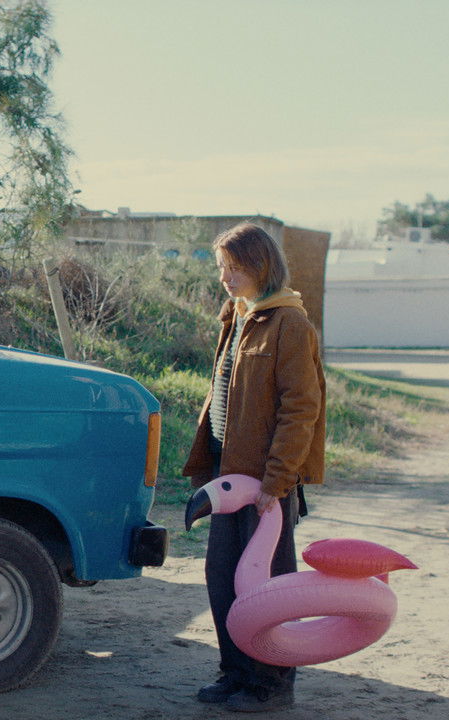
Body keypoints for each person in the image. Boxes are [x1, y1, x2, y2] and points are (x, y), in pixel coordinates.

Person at [181, 222, 326, 713]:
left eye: (234, 268)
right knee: (223, 576)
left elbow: (300, 410)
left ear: (261, 267)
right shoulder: (237, 316)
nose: (225, 277)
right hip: (229, 477)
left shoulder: (290, 323)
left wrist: (277, 480)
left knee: (267, 587)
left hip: (266, 484)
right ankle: (236, 673)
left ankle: (270, 684)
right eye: (221, 267)